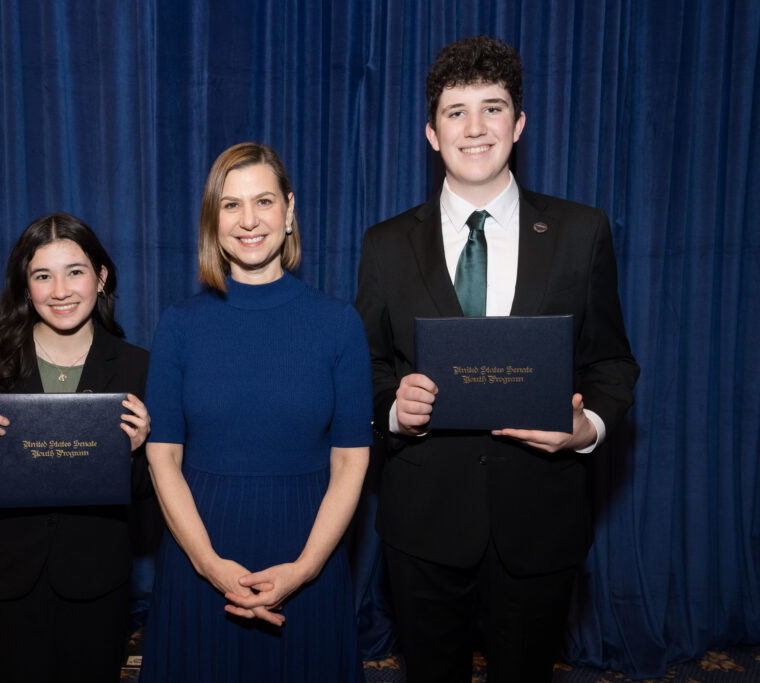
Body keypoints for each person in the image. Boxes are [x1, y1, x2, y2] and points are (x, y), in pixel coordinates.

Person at [355, 37, 640, 683]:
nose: (476, 127)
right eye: (456, 112)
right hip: (424, 521)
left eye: (493, 107)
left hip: (540, 518)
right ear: (432, 134)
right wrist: (395, 410)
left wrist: (586, 428)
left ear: (519, 123)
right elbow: (366, 367)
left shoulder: (581, 232)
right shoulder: (385, 245)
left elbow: (612, 363)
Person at [139, 142, 372, 682]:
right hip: (199, 552)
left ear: (289, 211)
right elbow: (163, 458)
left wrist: (305, 569)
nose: (249, 220)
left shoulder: (339, 324)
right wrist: (209, 565)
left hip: (308, 551)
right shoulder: (179, 324)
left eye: (264, 201)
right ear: (213, 220)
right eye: (231, 205)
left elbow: (350, 462)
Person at [0, 212, 151, 682]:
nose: (60, 291)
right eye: (42, 276)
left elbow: (144, 489)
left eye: (75, 272)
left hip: (96, 578)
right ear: (25, 285)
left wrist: (138, 450)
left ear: (100, 277)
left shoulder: (136, 367)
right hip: (4, 577)